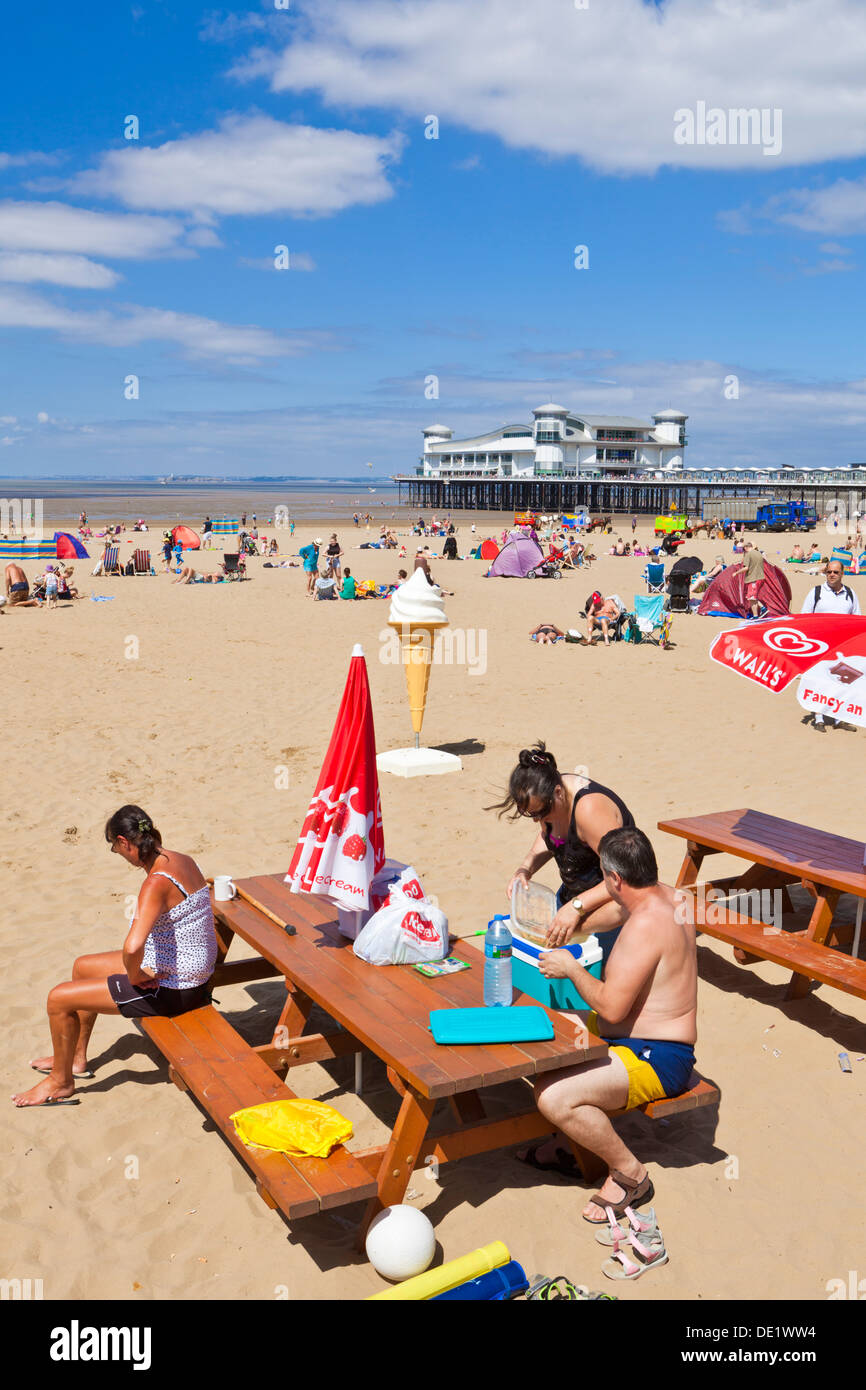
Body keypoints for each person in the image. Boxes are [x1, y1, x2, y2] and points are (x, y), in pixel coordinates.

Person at [520, 827, 697, 1222]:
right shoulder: (672, 896)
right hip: (640, 1037)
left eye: (604, 876)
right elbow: (618, 909)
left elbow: (613, 1009)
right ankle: (569, 1145)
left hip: (658, 1056)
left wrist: (569, 968)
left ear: (615, 879)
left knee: (553, 1096)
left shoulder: (644, 928)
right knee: (541, 1024)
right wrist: (572, 927)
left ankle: (630, 1173)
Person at [12, 807, 217, 1108]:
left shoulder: (155, 883)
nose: (119, 855)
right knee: (82, 967)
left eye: (115, 849)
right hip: (185, 966)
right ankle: (76, 1060)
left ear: (124, 842)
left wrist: (135, 977)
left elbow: (132, 947)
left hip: (176, 989)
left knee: (58, 999)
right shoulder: (181, 859)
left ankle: (60, 1082)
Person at [493, 742, 636, 966]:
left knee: (598, 978)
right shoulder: (550, 798)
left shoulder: (590, 810)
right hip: (575, 898)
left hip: (613, 907)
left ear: (558, 793)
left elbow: (623, 877)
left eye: (540, 813)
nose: (537, 820)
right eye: (531, 814)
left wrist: (577, 907)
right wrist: (525, 869)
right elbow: (550, 837)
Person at [800, 559, 861, 732]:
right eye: (829, 572)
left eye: (835, 572)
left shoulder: (850, 593)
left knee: (840, 682)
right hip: (819, 646)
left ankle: (837, 718)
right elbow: (804, 618)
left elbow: (857, 619)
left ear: (842, 573)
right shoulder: (816, 592)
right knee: (820, 681)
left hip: (843, 648)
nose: (832, 575)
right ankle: (819, 718)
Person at [740, 540, 765, 617]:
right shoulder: (759, 553)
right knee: (751, 597)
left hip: (753, 579)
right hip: (760, 578)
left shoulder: (749, 554)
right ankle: (758, 613)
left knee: (751, 597)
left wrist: (736, 572)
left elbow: (746, 567)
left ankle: (760, 611)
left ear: (746, 547)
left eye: (744, 549)